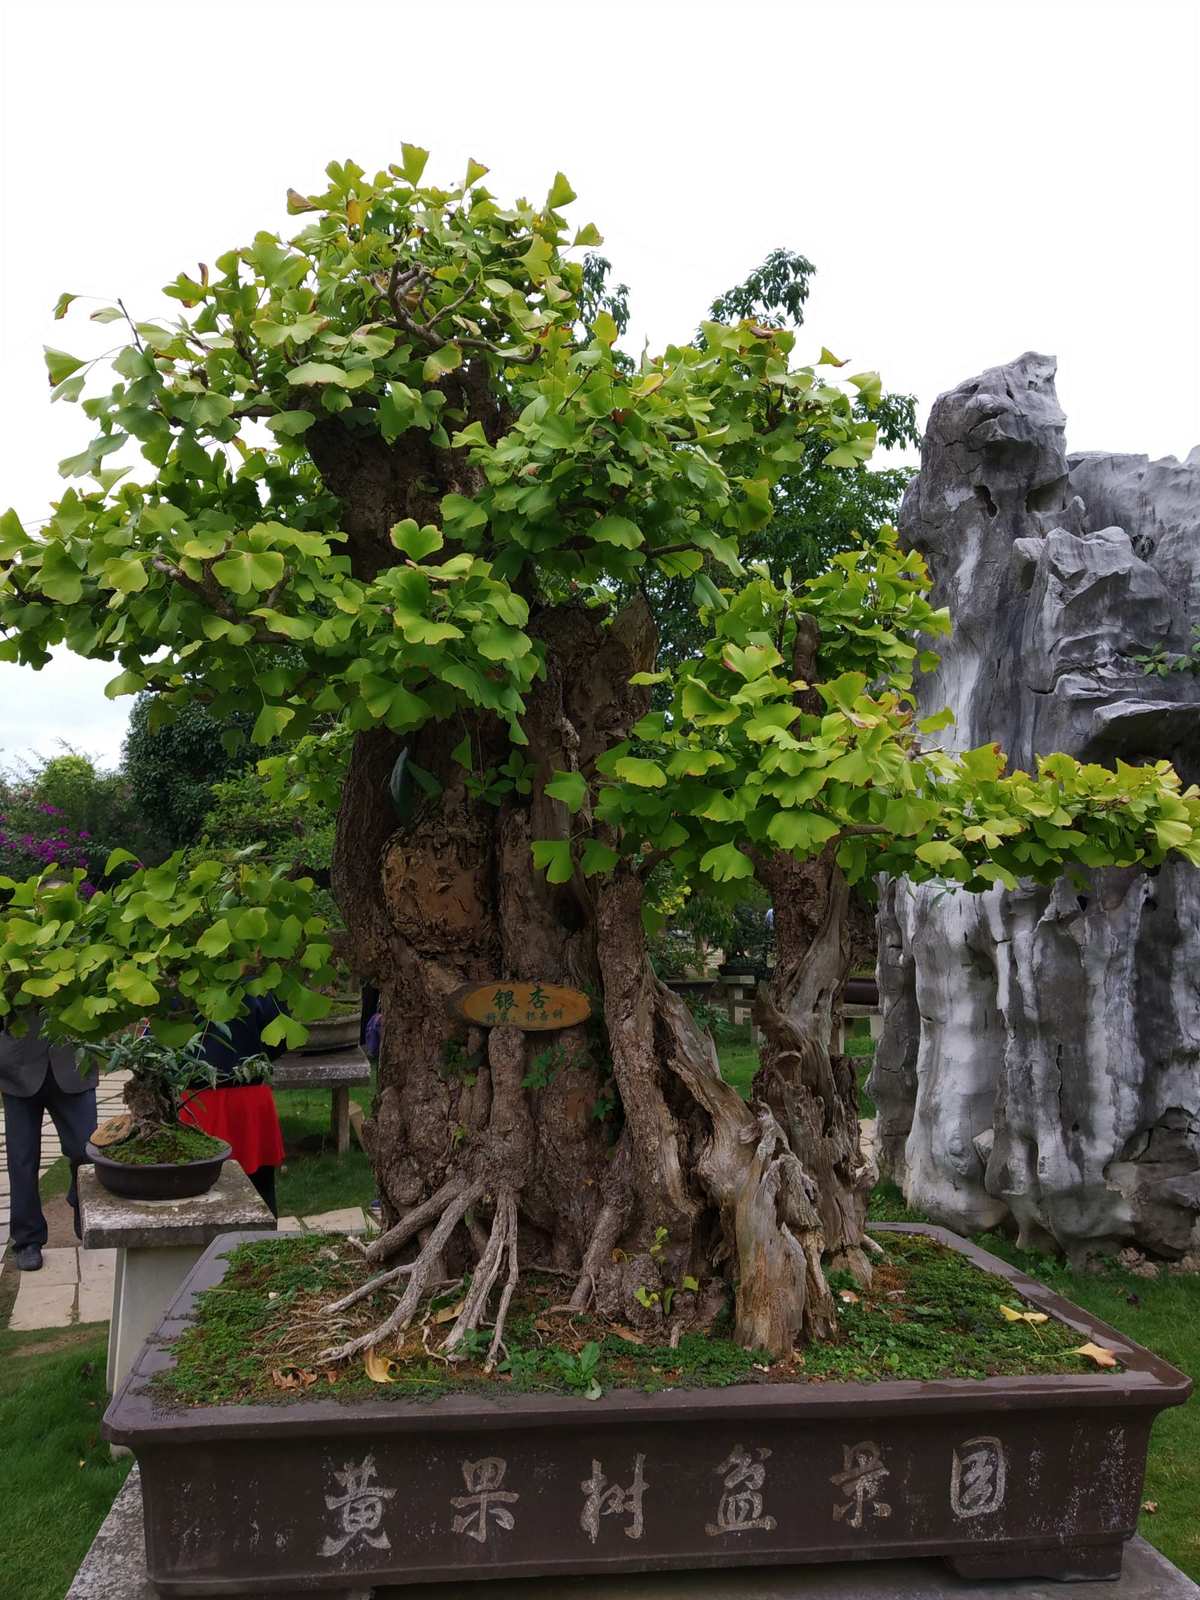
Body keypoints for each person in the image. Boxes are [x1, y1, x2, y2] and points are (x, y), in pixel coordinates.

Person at [0, 1010, 97, 1271]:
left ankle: (80, 1200)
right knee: (22, 1159)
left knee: (86, 1149)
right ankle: (27, 1240)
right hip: (18, 1068)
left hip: (74, 1064)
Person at [179, 994, 286, 1215]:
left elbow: (160, 1043)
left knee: (194, 1196)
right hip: (238, 1101)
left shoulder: (178, 981)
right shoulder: (258, 985)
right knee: (258, 1194)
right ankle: (259, 1243)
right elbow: (279, 1039)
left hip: (199, 1102)